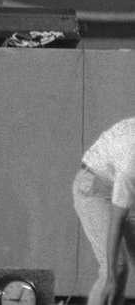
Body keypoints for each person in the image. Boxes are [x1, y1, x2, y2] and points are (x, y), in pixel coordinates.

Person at [74, 116, 135, 305]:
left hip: (123, 187)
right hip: (95, 187)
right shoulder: (130, 166)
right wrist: (110, 278)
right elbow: (116, 223)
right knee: (117, 266)